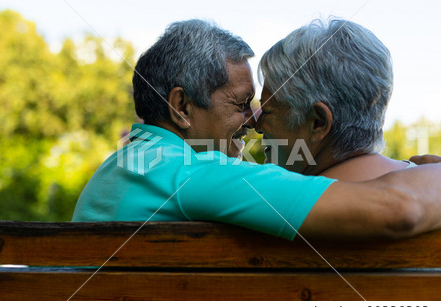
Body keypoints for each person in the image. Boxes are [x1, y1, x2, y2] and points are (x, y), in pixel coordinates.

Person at [73, 19, 441, 241]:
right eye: (240, 104)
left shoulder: (133, 161)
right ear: (182, 107)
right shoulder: (190, 174)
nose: (252, 120)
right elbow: (401, 208)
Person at [256, 19, 419, 182]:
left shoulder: (294, 204)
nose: (255, 125)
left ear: (318, 122)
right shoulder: (428, 182)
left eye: (267, 112)